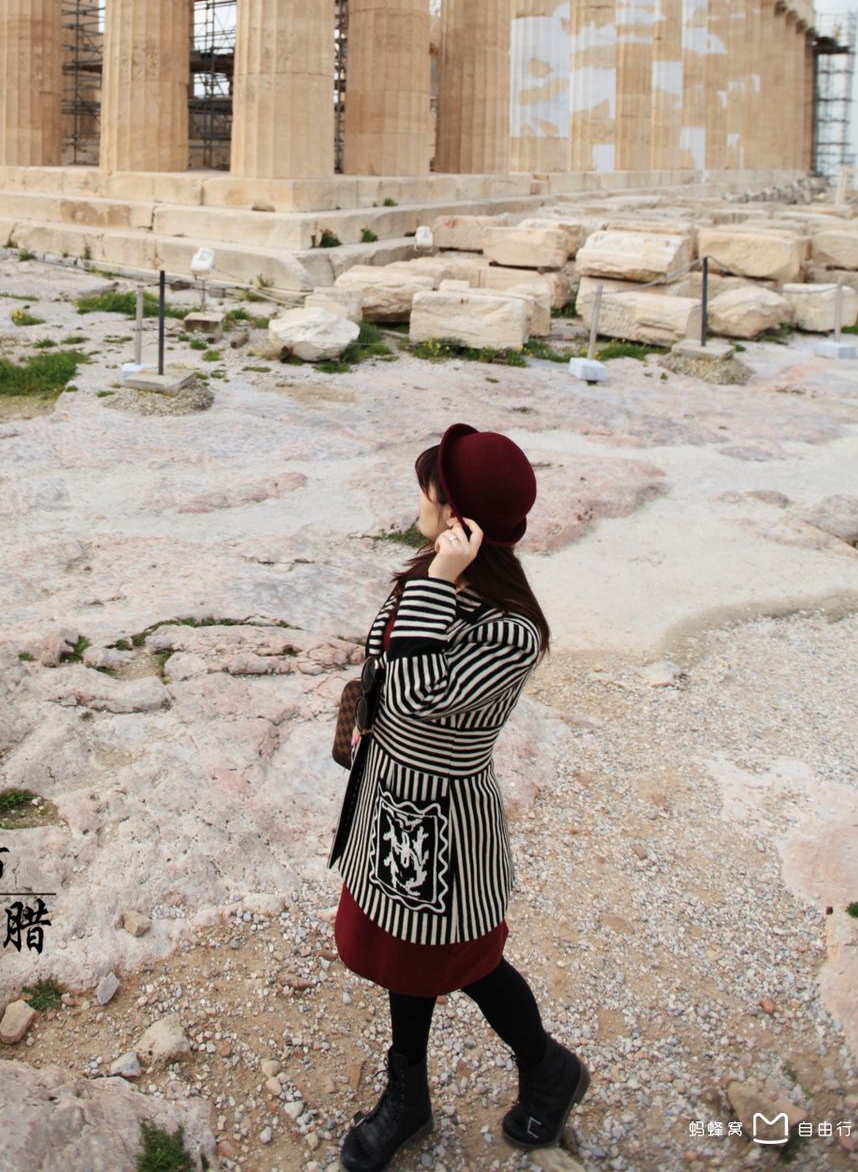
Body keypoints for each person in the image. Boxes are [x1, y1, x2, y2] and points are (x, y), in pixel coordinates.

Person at [327, 422, 590, 1171]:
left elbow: (411, 696)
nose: (418, 498)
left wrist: (437, 585)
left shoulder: (509, 632)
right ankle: (408, 1095)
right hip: (389, 803)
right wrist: (433, 581)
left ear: (461, 518)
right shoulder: (429, 575)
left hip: (441, 825)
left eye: (429, 489)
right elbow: (385, 666)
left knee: (467, 962)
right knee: (400, 957)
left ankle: (547, 1067)